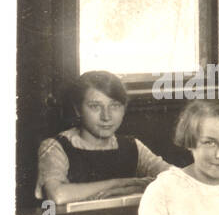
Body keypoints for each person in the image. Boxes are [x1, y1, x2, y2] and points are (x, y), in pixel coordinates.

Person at [36, 70, 170, 203]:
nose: (106, 116)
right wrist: (121, 184)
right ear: (78, 109)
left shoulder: (133, 146)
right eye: (95, 106)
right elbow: (57, 195)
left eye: (115, 106)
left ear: (124, 109)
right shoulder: (55, 146)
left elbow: (177, 179)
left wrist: (131, 189)